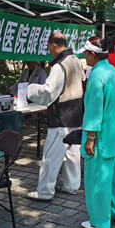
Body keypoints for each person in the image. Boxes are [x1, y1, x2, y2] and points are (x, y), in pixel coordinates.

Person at [26, 33, 85, 200]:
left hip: (61, 117)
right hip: (76, 114)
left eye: (48, 46)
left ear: (53, 45)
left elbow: (49, 91)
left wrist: (30, 90)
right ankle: (72, 186)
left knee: (51, 155)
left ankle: (45, 191)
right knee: (72, 153)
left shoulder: (59, 66)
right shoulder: (76, 60)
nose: (48, 50)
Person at [78, 37, 115, 228]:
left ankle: (99, 221)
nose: (84, 56)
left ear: (92, 54)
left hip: (101, 138)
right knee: (112, 178)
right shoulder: (114, 72)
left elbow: (94, 110)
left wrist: (90, 138)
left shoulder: (97, 75)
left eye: (85, 53)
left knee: (97, 179)